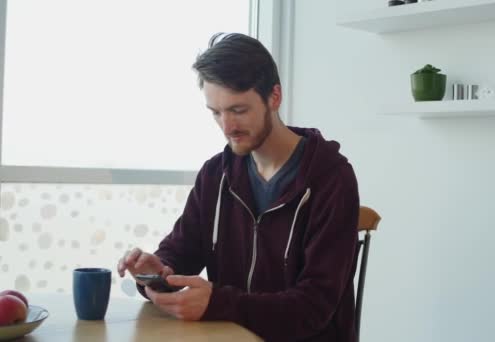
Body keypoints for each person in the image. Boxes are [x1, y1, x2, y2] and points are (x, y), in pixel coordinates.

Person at [116, 33, 360, 342]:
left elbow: (313, 308)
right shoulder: (215, 174)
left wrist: (217, 303)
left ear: (274, 96)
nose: (226, 126)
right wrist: (158, 271)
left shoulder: (331, 179)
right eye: (216, 112)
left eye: (238, 110)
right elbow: (182, 252)